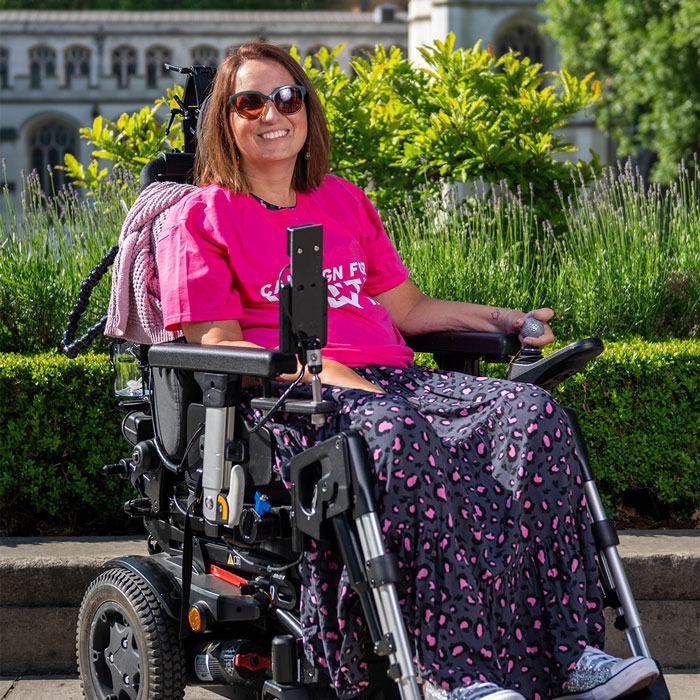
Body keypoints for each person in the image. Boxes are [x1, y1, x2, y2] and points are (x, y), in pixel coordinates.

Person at [157, 42, 659, 700]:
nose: (272, 113)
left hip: (390, 385)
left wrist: (505, 319)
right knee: (396, 434)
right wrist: (332, 376)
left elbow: (411, 309)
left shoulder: (341, 199)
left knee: (534, 417)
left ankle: (569, 654)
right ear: (224, 120)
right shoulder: (197, 219)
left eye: (287, 97)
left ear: (307, 112)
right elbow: (221, 344)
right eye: (249, 101)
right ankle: (453, 676)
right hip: (289, 401)